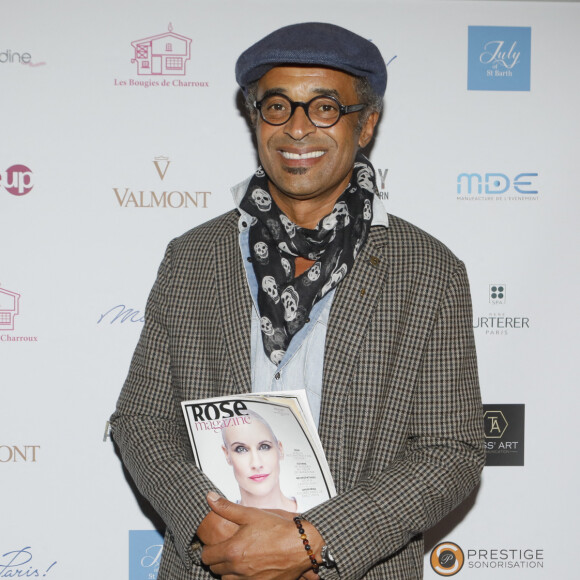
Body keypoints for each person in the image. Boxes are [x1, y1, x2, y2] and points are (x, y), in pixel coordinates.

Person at [111, 22, 485, 579]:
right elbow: (140, 420)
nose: (298, 129)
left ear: (367, 125)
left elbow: (451, 451)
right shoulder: (192, 258)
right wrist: (213, 524)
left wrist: (316, 541)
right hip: (212, 563)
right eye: (278, 107)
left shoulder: (429, 272)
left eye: (326, 107)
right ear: (255, 118)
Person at [221, 410, 297, 511]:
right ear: (227, 454)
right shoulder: (220, 523)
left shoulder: (315, 511)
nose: (256, 464)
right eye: (241, 449)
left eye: (264, 447)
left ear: (280, 449)